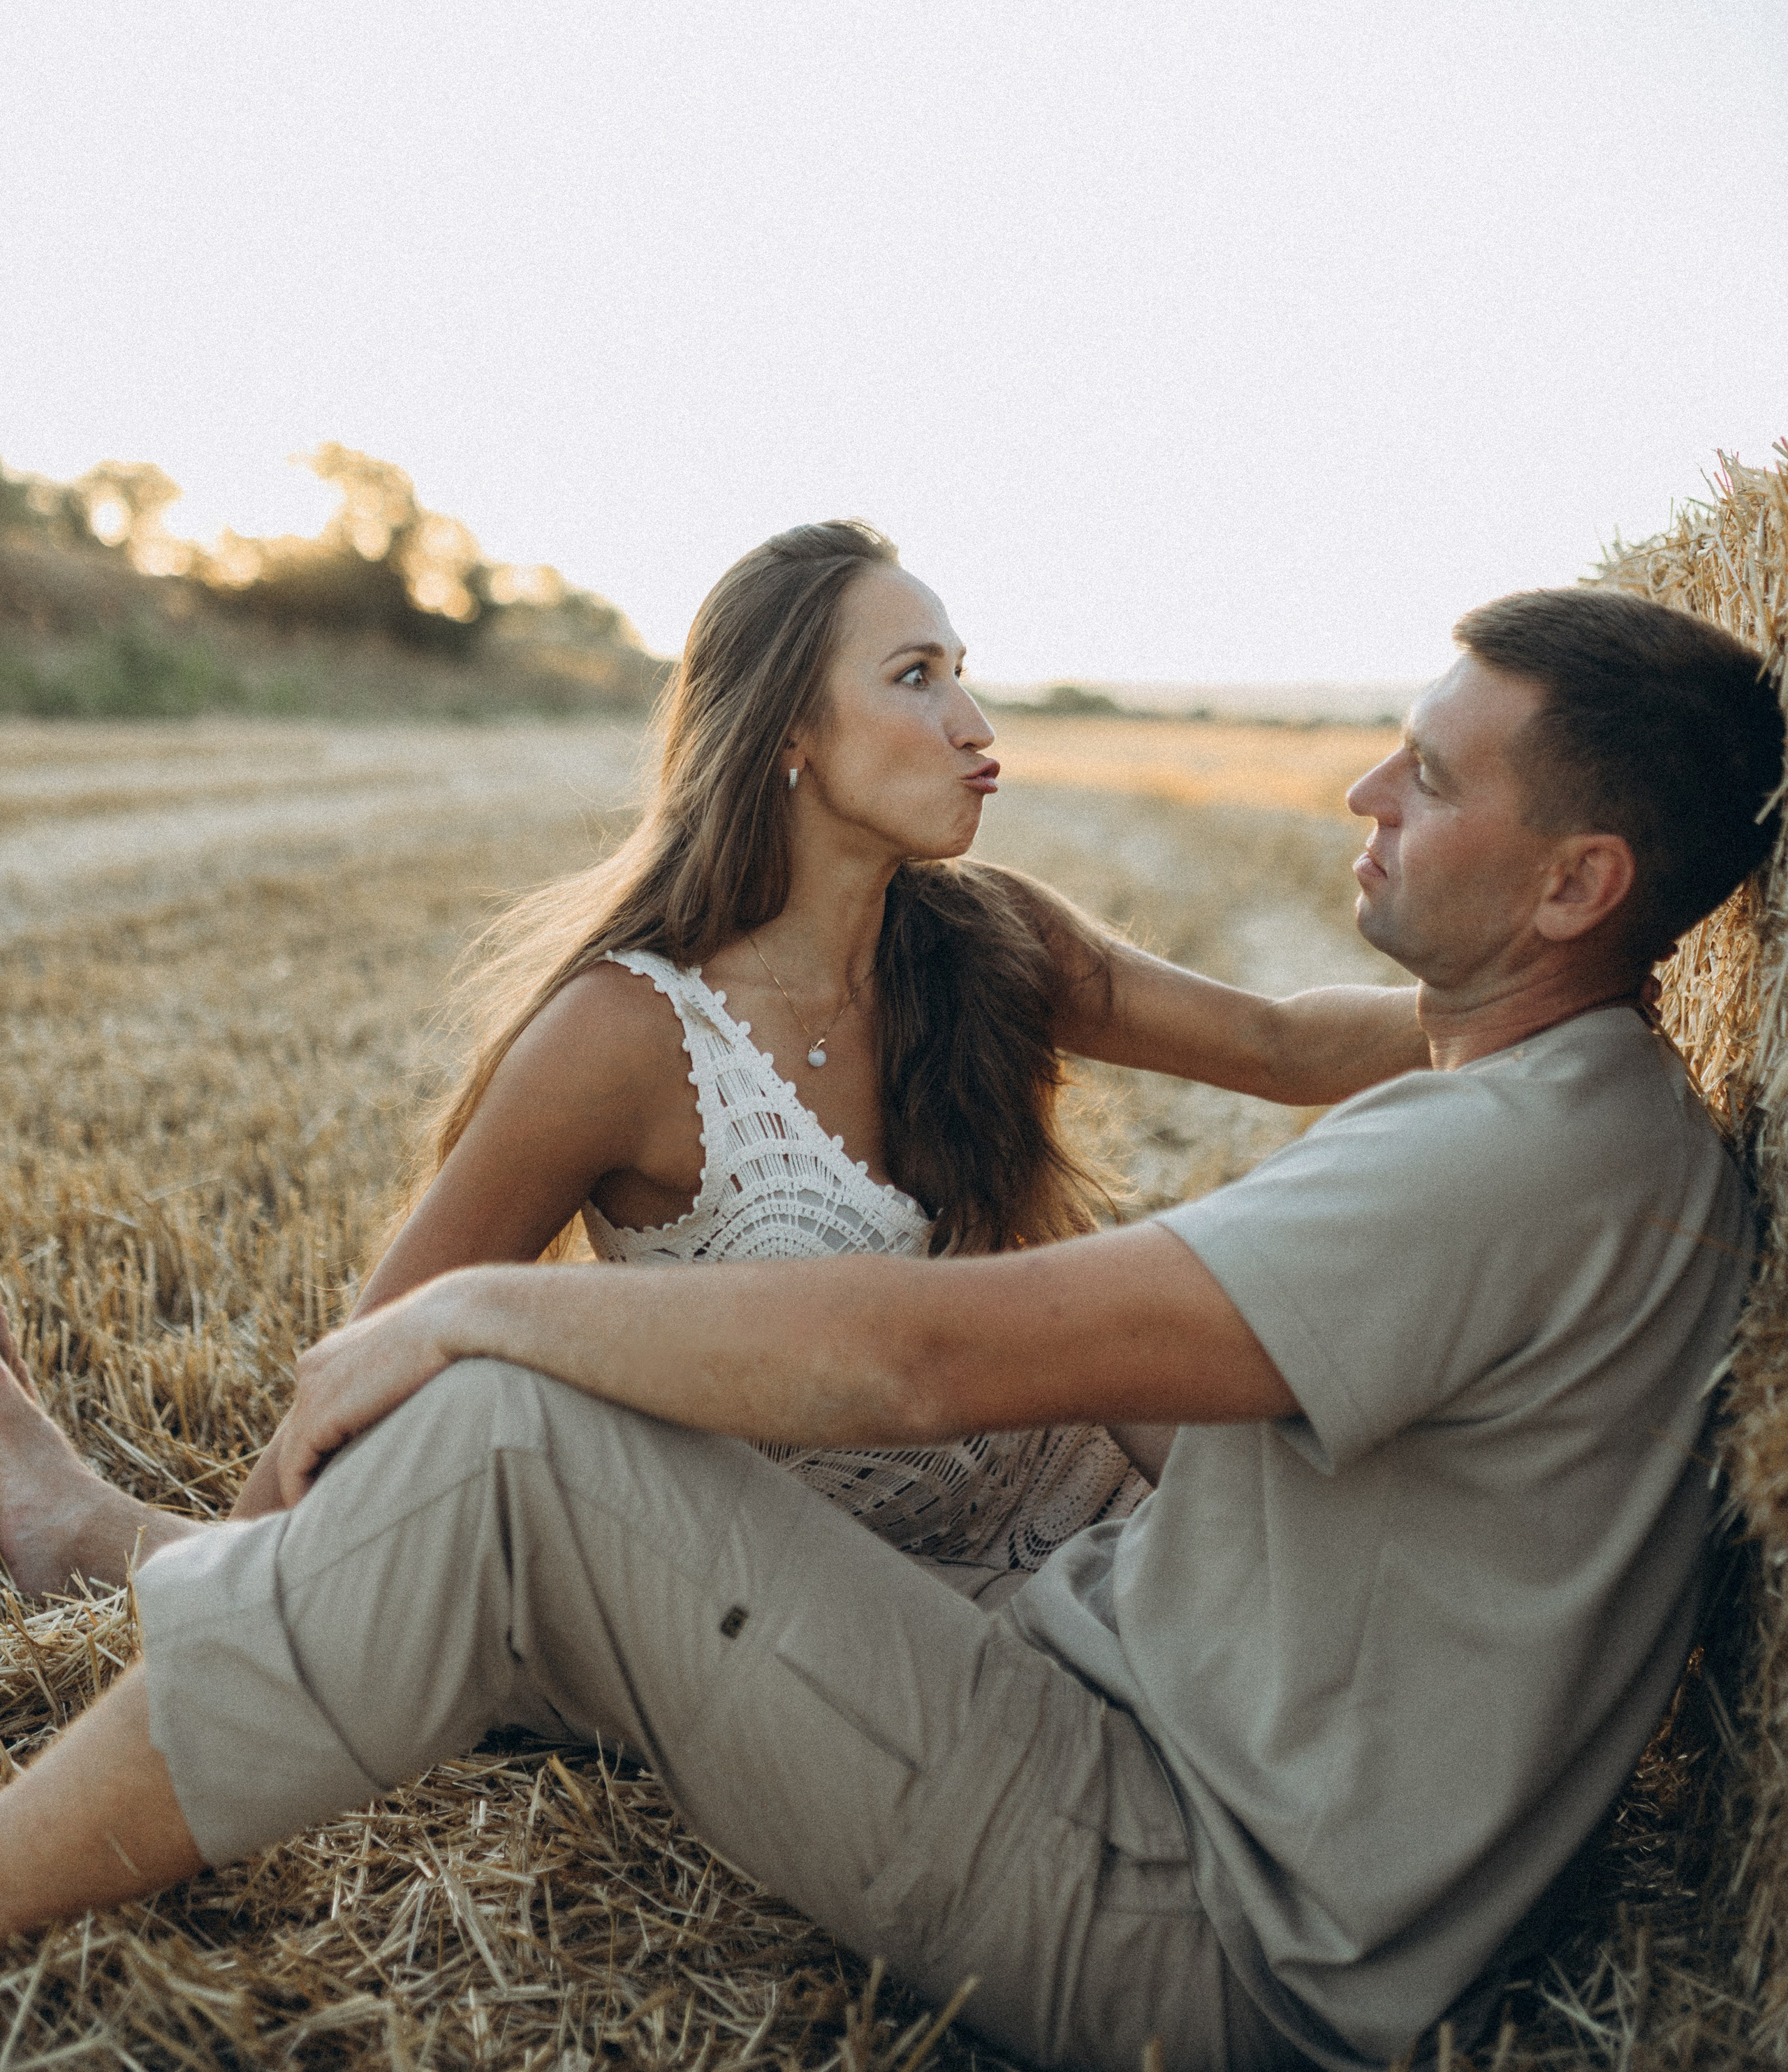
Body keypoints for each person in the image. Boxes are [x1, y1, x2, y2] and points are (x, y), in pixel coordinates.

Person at [0, 583, 1776, 2072]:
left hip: (1189, 1902)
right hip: (1191, 1770)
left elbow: (931, 1361)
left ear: (1571, 889)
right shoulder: (1589, 1118)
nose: (1357, 785)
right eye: (911, 672)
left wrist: (488, 1315)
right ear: (783, 729)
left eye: (1433, 774)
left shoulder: (1506, 1155)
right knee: (514, 1544)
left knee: (508, 1447)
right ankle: (112, 1546)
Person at [0, 518, 1422, 1599]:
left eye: (963, 677)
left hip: (1100, 1519)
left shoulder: (985, 940)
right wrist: (248, 1584)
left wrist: (1598, 1013)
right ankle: (65, 1518)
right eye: (916, 679)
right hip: (811, 1610)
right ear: (792, 733)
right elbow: (378, 1359)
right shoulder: (621, 1038)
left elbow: (1279, 1043)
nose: (976, 731)